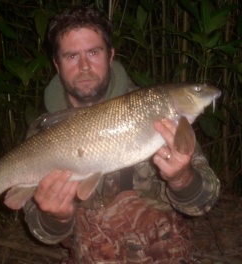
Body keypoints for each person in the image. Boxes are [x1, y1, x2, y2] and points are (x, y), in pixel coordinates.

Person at [23, 6, 220, 264]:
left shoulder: (152, 107)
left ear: (110, 56)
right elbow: (41, 230)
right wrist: (57, 217)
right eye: (71, 56)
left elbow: (205, 202)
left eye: (93, 52)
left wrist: (182, 178)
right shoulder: (43, 131)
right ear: (56, 64)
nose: (84, 66)